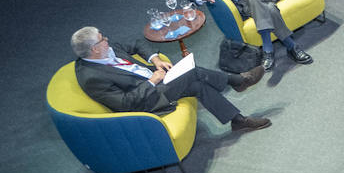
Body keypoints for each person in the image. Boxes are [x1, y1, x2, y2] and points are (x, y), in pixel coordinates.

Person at [69, 27, 271, 133]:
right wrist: (152, 81)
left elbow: (138, 43)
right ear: (94, 49)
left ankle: (238, 121)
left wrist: (155, 59)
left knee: (198, 84)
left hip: (155, 82)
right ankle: (238, 80)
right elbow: (125, 104)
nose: (107, 40)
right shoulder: (91, 77)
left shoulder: (106, 50)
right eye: (102, 40)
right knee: (192, 73)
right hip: (145, 101)